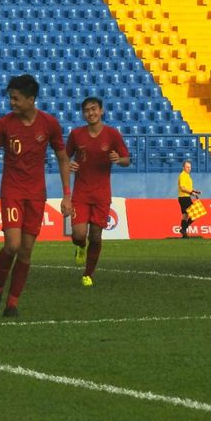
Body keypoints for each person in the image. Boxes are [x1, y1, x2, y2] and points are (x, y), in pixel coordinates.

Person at [0, 74, 73, 318]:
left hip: (36, 194)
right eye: (10, 98)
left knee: (26, 251)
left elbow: (63, 159)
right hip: (12, 190)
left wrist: (67, 195)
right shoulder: (4, 125)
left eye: (16, 98)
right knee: (12, 245)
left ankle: (12, 304)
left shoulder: (49, 124)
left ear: (31, 99)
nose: (11, 103)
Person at [67, 97, 130, 287]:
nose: (91, 113)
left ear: (101, 111)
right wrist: (68, 163)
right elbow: (64, 156)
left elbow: (127, 160)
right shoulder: (76, 135)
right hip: (81, 193)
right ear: (83, 114)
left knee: (95, 235)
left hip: (101, 194)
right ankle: (80, 247)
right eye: (87, 110)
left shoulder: (112, 134)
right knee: (79, 234)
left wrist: (118, 159)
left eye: (94, 109)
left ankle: (88, 274)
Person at [177, 160, 201, 238]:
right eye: (187, 167)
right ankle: (184, 229)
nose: (189, 168)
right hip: (184, 197)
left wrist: (194, 191)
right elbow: (182, 187)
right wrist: (191, 192)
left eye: (190, 167)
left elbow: (187, 187)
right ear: (183, 167)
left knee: (185, 215)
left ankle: (184, 234)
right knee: (195, 214)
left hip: (183, 197)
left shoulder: (187, 175)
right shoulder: (183, 175)